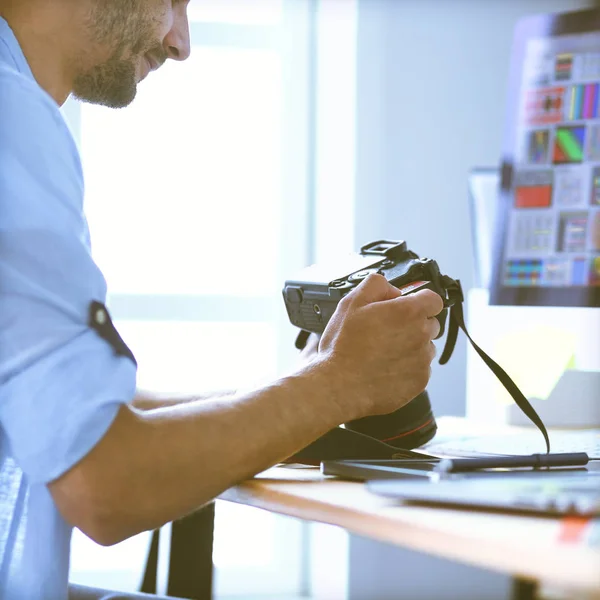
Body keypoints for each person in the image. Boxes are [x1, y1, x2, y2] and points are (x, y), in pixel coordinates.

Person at [0, 1, 443, 598]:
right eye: (174, 1)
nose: (180, 42)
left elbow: (64, 413)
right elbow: (105, 486)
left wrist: (310, 391)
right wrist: (336, 385)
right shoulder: (13, 123)